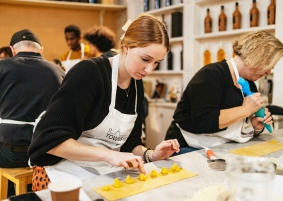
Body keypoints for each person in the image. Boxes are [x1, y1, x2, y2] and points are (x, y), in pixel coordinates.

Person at [28, 13, 180, 191]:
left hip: (103, 173)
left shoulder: (136, 85)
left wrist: (152, 155)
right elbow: (47, 140)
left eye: (157, 63)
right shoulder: (90, 73)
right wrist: (108, 155)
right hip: (62, 174)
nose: (149, 70)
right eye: (145, 59)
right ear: (126, 47)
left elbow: (130, 144)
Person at [165, 31, 283, 155]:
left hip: (222, 147)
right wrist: (246, 109)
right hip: (187, 147)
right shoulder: (210, 75)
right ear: (255, 56)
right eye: (268, 65)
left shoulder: (250, 84)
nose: (269, 72)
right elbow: (204, 121)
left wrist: (255, 126)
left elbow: (237, 124)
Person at [0, 29, 64, 197]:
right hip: (46, 153)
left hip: (10, 153)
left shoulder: (2, 67)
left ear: (12, 50)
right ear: (40, 49)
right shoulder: (58, 71)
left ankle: (9, 195)